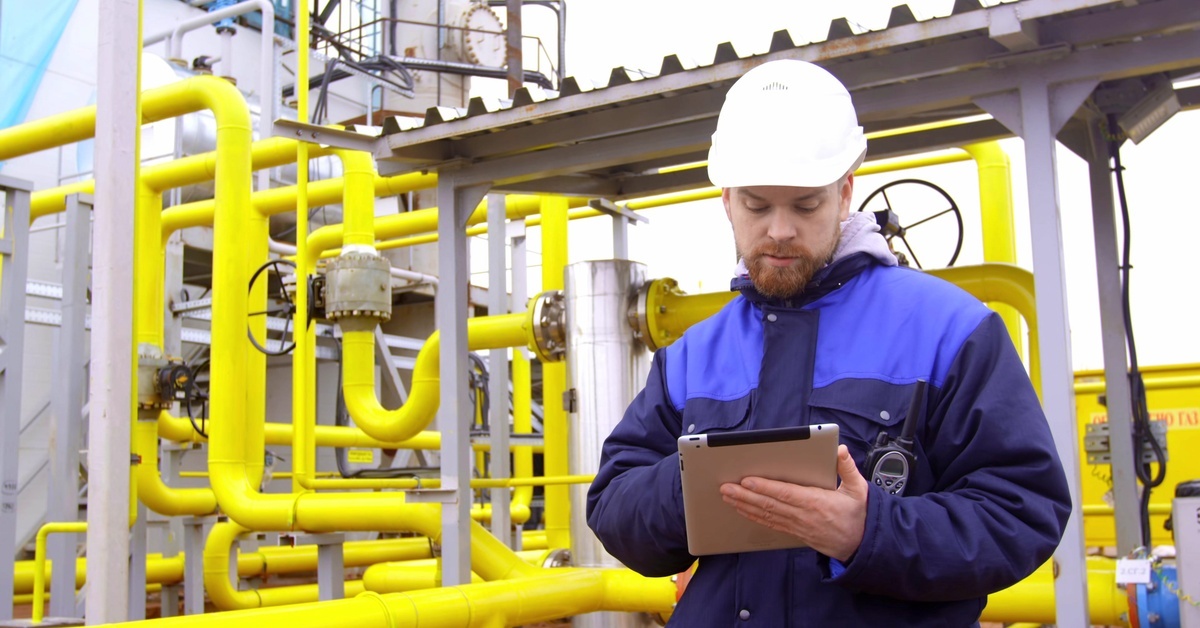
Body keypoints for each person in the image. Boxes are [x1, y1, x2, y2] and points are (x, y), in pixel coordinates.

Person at [586, 59, 1071, 626]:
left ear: (845, 193)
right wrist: (695, 485)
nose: (780, 230)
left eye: (806, 204)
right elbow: (613, 506)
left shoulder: (948, 330)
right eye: (757, 205)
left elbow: (1024, 509)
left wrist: (870, 533)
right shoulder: (691, 357)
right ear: (726, 201)